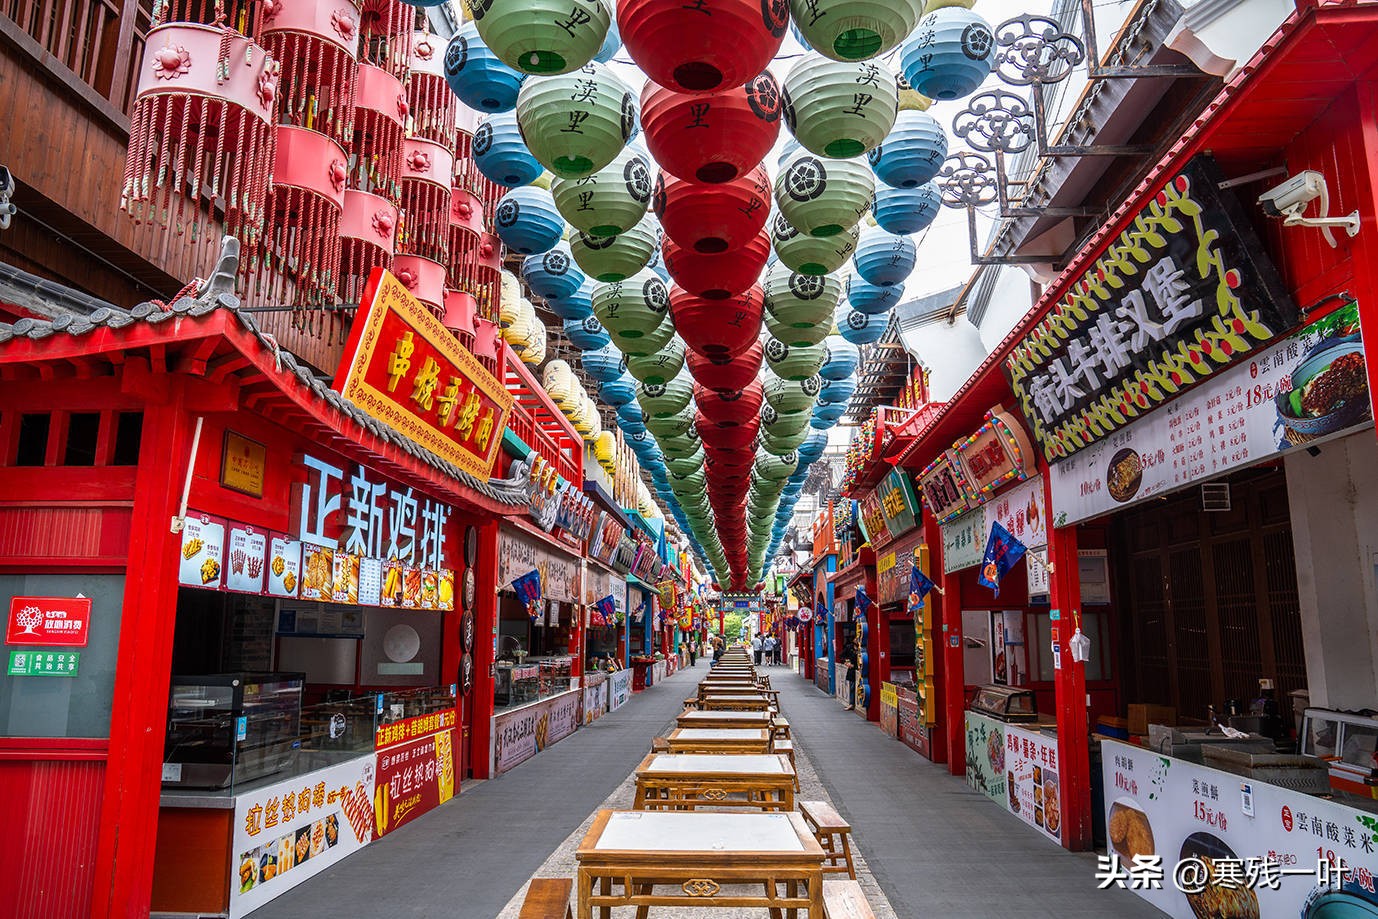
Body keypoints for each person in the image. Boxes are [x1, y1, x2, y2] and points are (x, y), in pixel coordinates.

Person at [843, 635, 859, 710]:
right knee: (852, 687)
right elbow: (842, 656)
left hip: (860, 670)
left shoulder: (862, 648)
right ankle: (851, 703)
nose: (857, 640)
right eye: (856, 638)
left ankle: (857, 704)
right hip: (852, 670)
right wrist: (846, 662)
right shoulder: (849, 647)